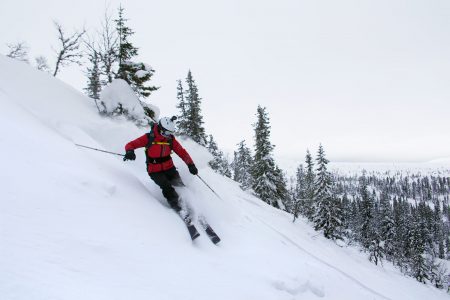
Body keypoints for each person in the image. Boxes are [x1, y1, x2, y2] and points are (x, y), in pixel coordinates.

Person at [123, 116, 198, 217]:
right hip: (154, 170)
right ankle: (177, 206)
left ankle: (190, 205)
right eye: (167, 132)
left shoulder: (170, 139)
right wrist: (130, 151)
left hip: (169, 168)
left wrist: (191, 164)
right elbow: (130, 144)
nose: (169, 135)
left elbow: (181, 152)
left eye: (170, 133)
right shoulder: (149, 138)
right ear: (161, 128)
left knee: (180, 185)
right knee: (166, 186)